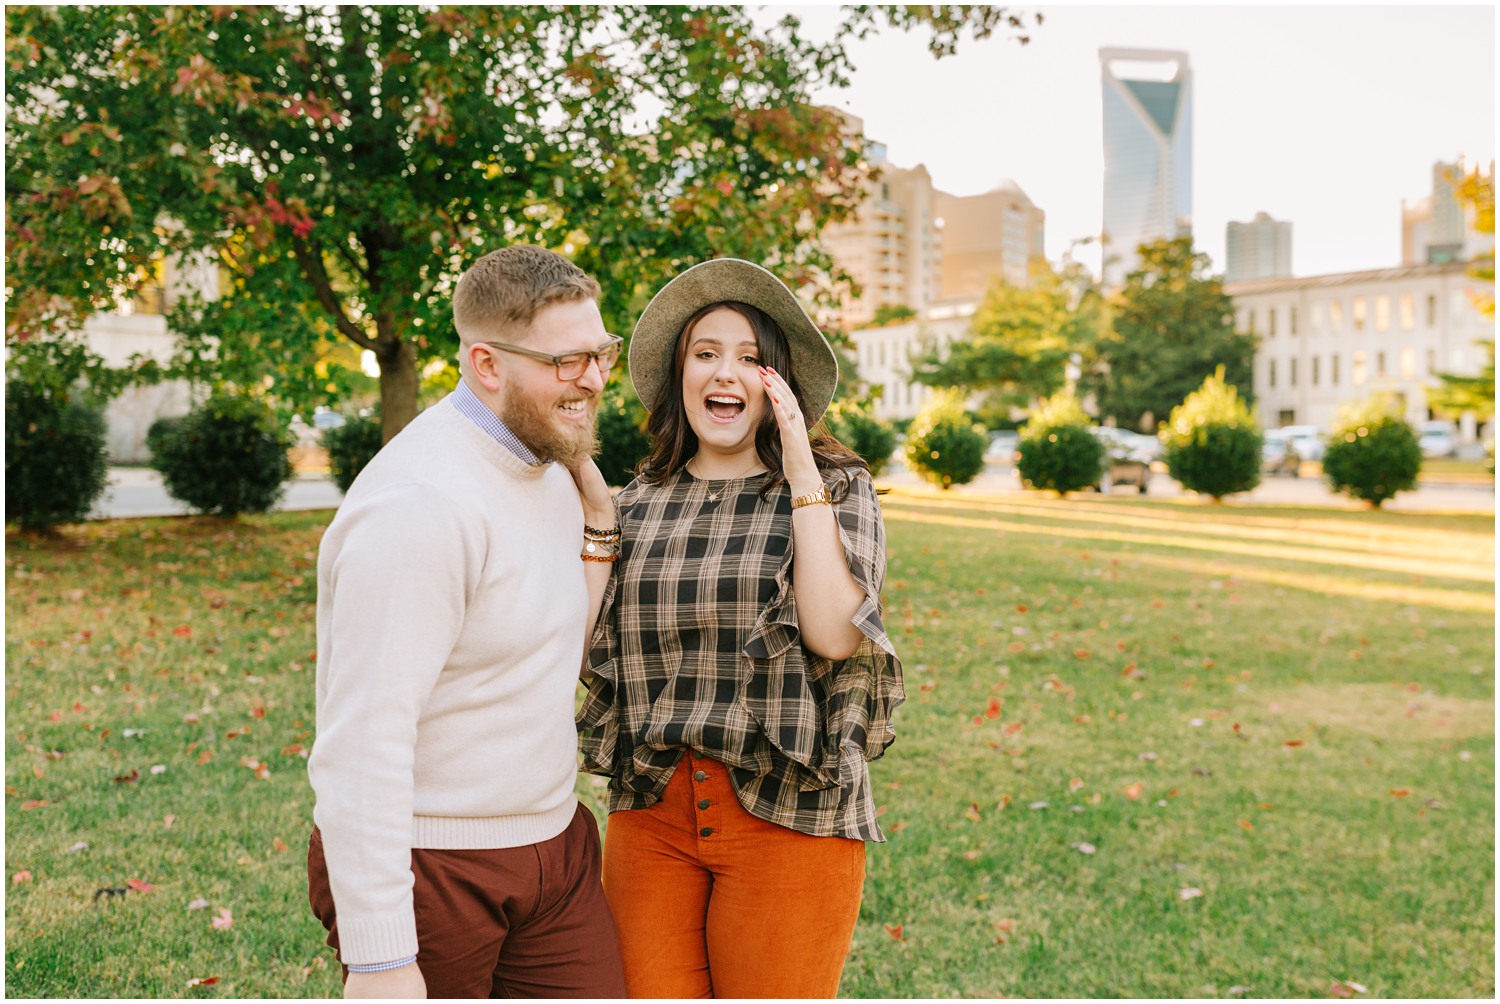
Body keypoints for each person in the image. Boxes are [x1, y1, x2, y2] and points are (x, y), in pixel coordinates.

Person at [576, 257, 905, 999]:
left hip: (791, 816)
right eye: (706, 353)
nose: (726, 373)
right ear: (679, 375)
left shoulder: (836, 488)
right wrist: (598, 522)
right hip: (651, 816)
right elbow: (576, 649)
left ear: (776, 384)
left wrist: (799, 472)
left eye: (751, 359)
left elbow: (832, 635)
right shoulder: (636, 503)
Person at [306, 244, 627, 999]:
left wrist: (600, 527)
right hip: (434, 866)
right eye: (568, 360)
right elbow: (361, 746)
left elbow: (553, 655)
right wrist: (382, 958)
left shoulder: (545, 462)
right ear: (486, 364)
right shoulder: (419, 507)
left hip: (555, 846)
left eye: (601, 351)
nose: (594, 378)